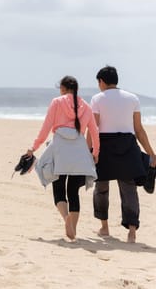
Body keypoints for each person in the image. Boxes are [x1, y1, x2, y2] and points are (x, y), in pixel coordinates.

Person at [90, 66, 156, 243]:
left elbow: (93, 129)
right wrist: (151, 153)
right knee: (129, 189)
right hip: (127, 145)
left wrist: (89, 150)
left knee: (101, 188)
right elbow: (139, 130)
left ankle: (104, 228)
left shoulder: (97, 99)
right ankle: (132, 232)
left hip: (104, 145)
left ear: (101, 82)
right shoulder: (132, 99)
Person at [25, 75, 100, 240]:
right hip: (79, 151)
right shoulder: (86, 107)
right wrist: (95, 154)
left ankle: (66, 219)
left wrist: (34, 147)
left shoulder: (56, 102)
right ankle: (73, 228)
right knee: (73, 191)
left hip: (60, 149)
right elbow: (95, 133)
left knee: (58, 188)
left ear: (63, 88)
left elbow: (45, 128)